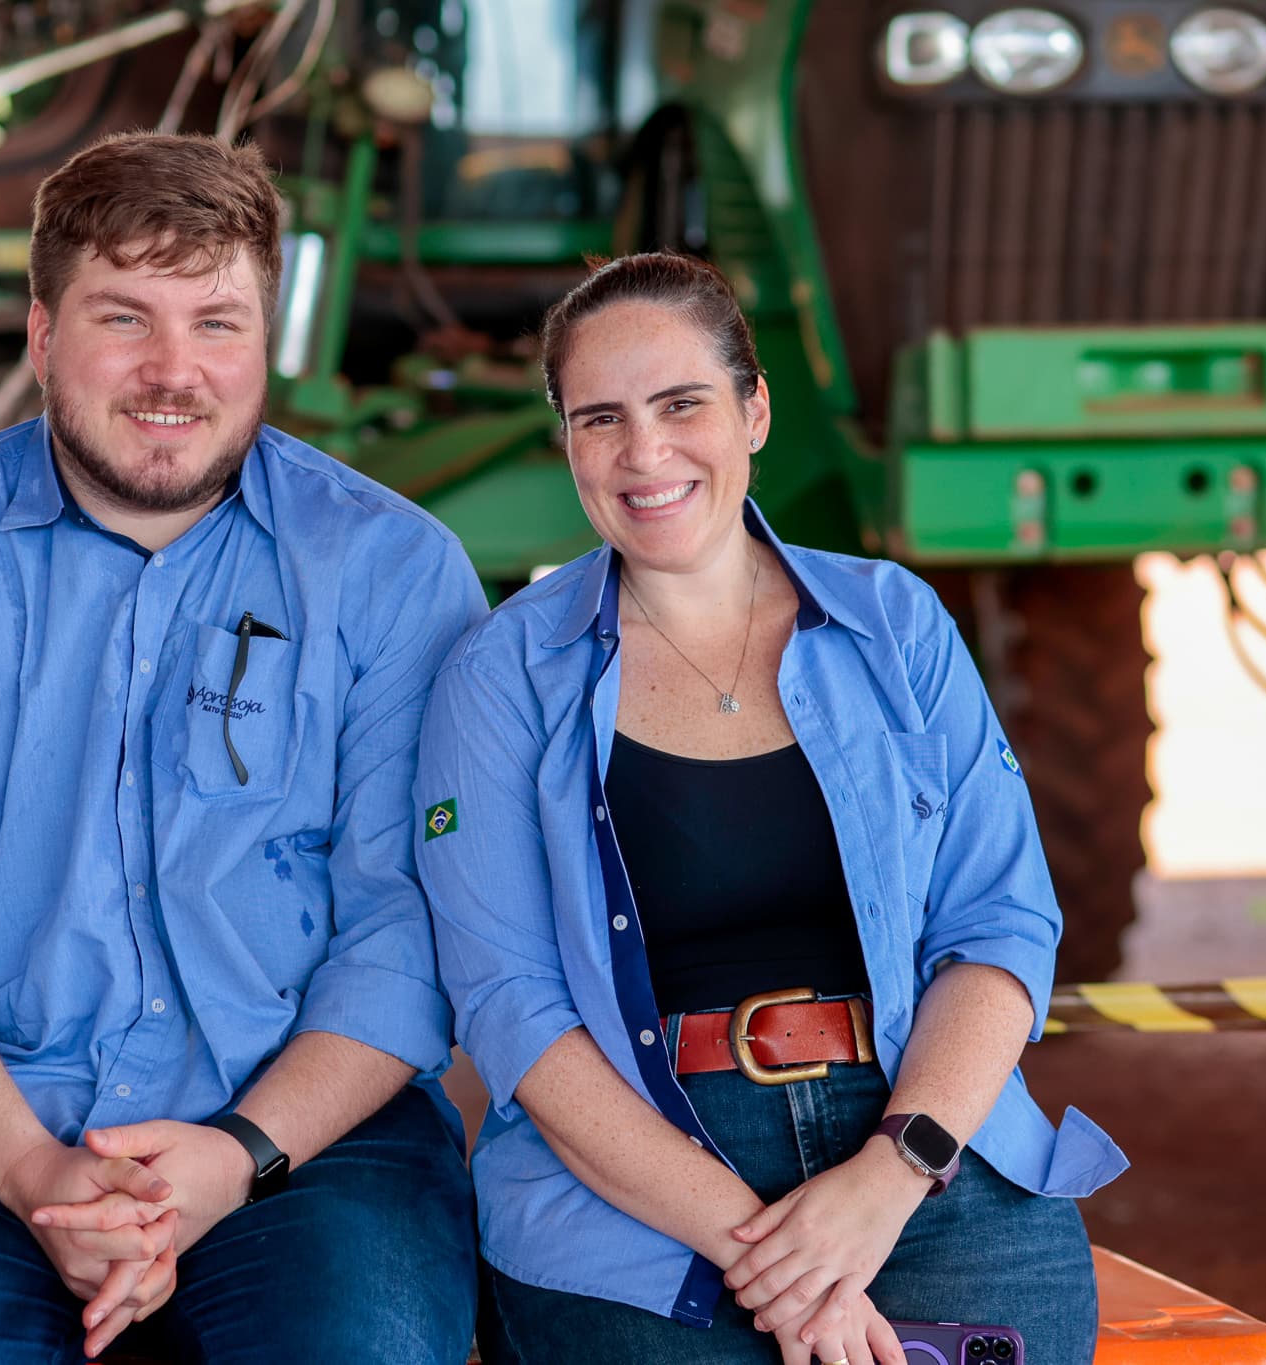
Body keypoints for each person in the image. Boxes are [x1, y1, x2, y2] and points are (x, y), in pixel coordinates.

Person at [0, 132, 485, 1365]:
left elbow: (408, 919)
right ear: (42, 335)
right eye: (122, 319)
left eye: (216, 323)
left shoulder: (392, 571)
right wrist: (35, 1170)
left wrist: (238, 1154)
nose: (172, 371)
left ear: (265, 342)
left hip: (305, 1135)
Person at [414, 252, 1128, 1365]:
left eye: (681, 404)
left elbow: (998, 927)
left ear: (753, 411)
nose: (643, 452)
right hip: (637, 1190)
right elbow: (513, 1009)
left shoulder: (896, 625)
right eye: (600, 419)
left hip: (922, 1137)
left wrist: (888, 1178)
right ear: (567, 443)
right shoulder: (499, 677)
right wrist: (776, 1262)